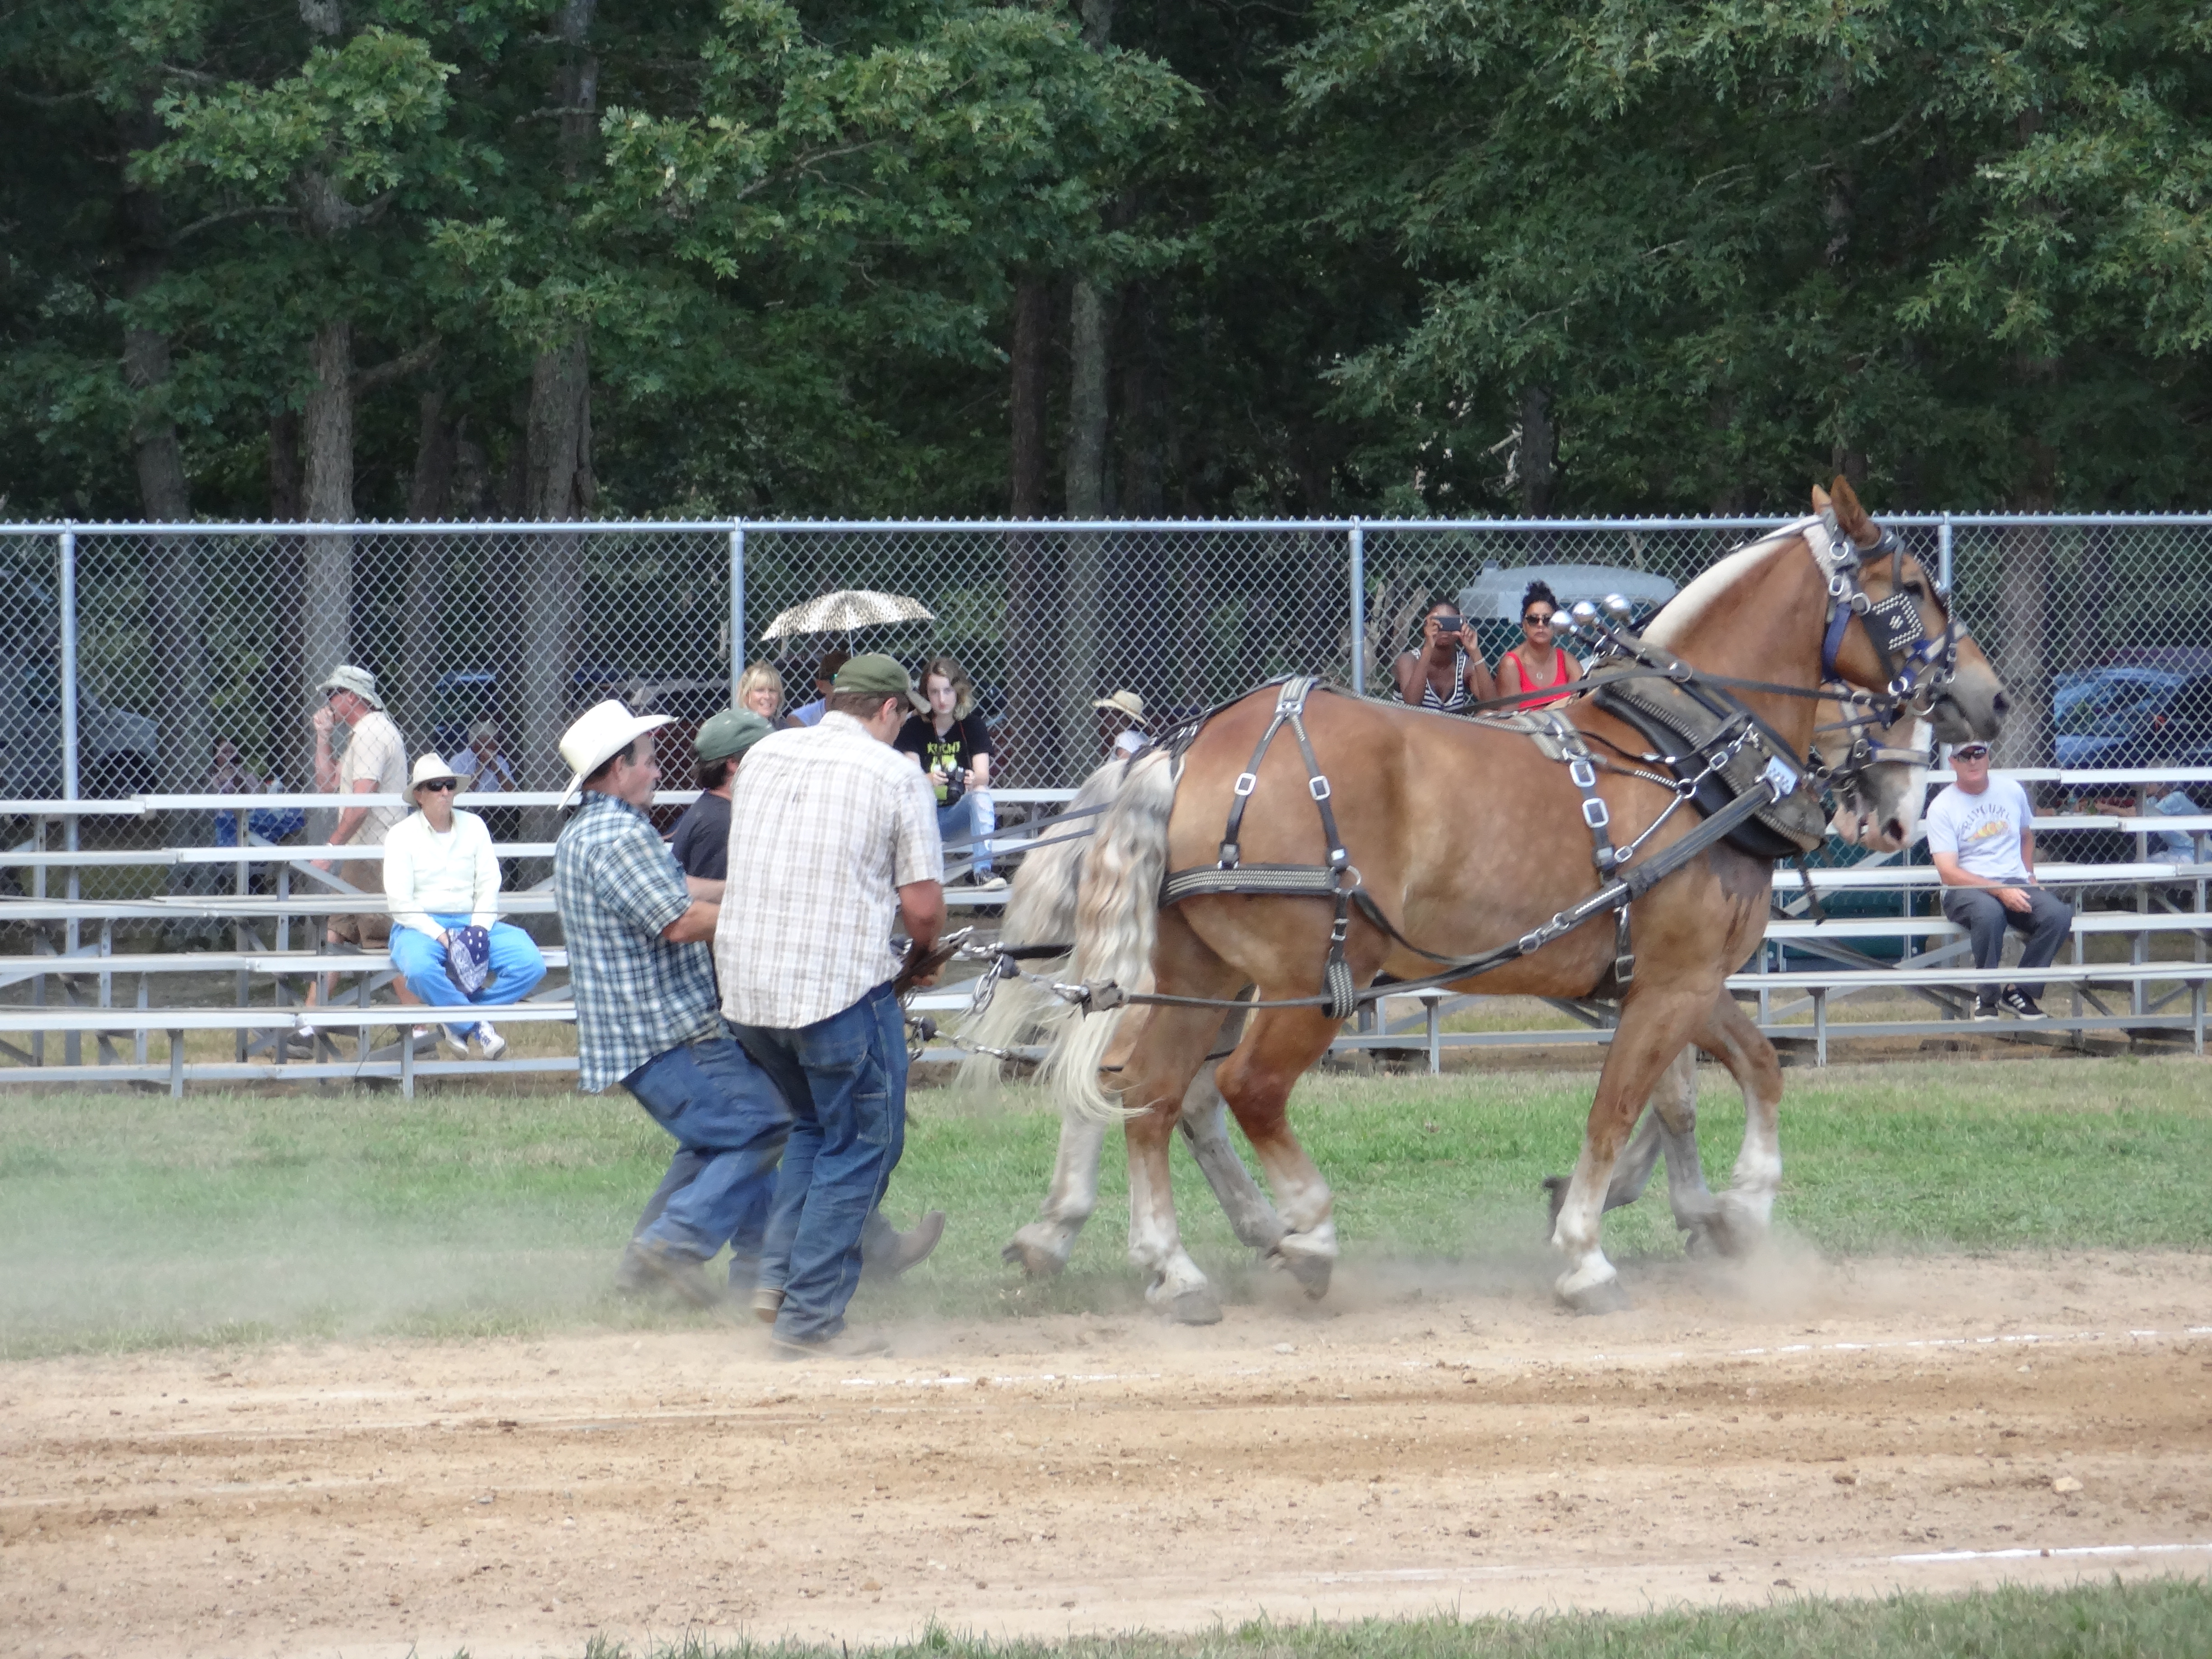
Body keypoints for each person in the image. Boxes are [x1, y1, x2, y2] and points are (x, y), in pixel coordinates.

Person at [626, 706, 942, 1299]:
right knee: (815, 1129)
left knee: (792, 1130)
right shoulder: (724, 825)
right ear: (739, 765)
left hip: (748, 1001)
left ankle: (751, 1272)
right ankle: (780, 1264)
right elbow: (710, 919)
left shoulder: (707, 818)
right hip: (768, 1002)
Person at [720, 654, 946, 1358]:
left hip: (750, 992)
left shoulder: (765, 754)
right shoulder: (895, 774)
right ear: (887, 711)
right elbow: (924, 908)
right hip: (835, 991)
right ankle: (810, 1318)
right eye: (903, 715)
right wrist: (919, 960)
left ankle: (776, 1280)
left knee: (815, 1131)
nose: (902, 726)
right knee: (865, 1146)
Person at [552, 699, 796, 1307]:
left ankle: (643, 1272)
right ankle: (673, 1245)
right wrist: (769, 917)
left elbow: (681, 887)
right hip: (669, 1034)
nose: (659, 770)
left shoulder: (600, 832)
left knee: (717, 1143)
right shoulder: (617, 835)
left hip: (646, 1036)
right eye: (649, 760)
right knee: (765, 1127)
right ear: (616, 769)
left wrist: (759, 888)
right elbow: (682, 920)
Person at [384, 753, 548, 1059]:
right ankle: (478, 1026)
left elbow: (489, 884)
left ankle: (458, 1019)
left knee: (530, 963)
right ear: (419, 795)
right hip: (420, 925)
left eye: (449, 785)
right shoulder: (400, 835)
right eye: (435, 786)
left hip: (474, 919)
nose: (445, 792)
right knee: (419, 970)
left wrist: (478, 930)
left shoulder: (475, 826)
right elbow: (400, 902)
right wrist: (440, 935)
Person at [300, 665, 412, 1045]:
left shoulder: (371, 733)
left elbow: (360, 804)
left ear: (353, 697)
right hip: (363, 852)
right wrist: (323, 739)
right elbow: (328, 784)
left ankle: (422, 1026)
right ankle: (309, 1024)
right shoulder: (362, 734)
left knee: (382, 939)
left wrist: (332, 847)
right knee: (336, 934)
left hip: (374, 852)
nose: (329, 702)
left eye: (334, 694)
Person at [1927, 740, 2072, 1021]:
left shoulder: (2011, 790)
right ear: (1952, 762)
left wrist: (2030, 876)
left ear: (1988, 757)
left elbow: (2026, 837)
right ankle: (1988, 996)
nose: (1973, 761)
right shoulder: (1942, 807)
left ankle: (2020, 991)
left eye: (1978, 753)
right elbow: (1948, 872)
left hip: (2014, 880)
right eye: (1964, 755)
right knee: (1989, 912)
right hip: (1965, 888)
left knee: (2058, 914)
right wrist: (1999, 891)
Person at [896, 656, 999, 887]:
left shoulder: (973, 725)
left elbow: (983, 775)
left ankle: (982, 871)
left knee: (981, 793)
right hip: (924, 816)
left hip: (956, 814)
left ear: (959, 691)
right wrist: (929, 779)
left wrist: (973, 779)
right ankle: (915, 882)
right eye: (934, 692)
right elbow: (910, 779)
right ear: (925, 695)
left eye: (948, 691)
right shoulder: (913, 728)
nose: (942, 700)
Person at [1492, 581, 1583, 709]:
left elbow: (1583, 704)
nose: (1540, 625)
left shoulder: (1567, 660)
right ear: (1524, 625)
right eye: (1533, 620)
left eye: (1547, 620)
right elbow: (1509, 719)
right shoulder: (1511, 664)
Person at [1392, 601, 1495, 712]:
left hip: (1451, 728)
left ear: (1461, 625)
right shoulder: (1409, 659)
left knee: (1487, 714)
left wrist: (1475, 652)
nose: (1444, 629)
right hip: (1411, 727)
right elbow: (1412, 702)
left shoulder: (1464, 665)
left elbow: (1492, 705)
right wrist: (1428, 647)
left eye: (1451, 623)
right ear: (1427, 625)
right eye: (1438, 623)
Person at [787, 650, 849, 728]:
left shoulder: (867, 715)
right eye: (837, 679)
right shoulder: (801, 719)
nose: (846, 686)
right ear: (821, 686)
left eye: (852, 680)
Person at [1093, 689, 1153, 759]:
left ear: (1119, 715)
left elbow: (1126, 768)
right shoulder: (1143, 737)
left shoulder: (1124, 738)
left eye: (1108, 711)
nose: (1104, 715)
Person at [736, 662, 792, 728]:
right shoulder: (736, 730)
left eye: (772, 690)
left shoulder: (784, 730)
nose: (767, 696)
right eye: (760, 690)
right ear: (746, 695)